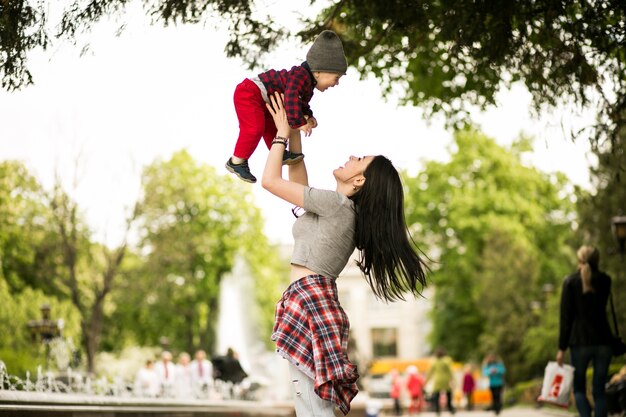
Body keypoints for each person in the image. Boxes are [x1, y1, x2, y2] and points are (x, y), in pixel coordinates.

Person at [262, 92, 428, 416]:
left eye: (360, 160)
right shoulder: (339, 210)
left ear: (359, 179)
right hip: (314, 301)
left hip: (310, 302)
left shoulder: (337, 205)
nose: (352, 156)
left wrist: (281, 132)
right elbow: (297, 175)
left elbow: (270, 180)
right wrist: (296, 122)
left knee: (311, 407)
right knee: (312, 406)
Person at [225, 30, 347, 183]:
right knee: (255, 128)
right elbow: (291, 97)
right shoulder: (300, 75)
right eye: (336, 78)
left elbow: (302, 103)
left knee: (272, 127)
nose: (336, 84)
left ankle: (280, 152)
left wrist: (308, 116)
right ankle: (236, 161)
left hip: (266, 101)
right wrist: (300, 123)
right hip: (250, 92)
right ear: (319, 71)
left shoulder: (308, 84)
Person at [556, 245, 614, 417]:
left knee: (579, 389)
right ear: (598, 260)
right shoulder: (606, 280)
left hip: (579, 342)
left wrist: (561, 348)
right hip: (604, 339)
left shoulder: (570, 282)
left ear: (579, 259)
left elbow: (566, 318)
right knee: (599, 390)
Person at [426, 347, 455, 415]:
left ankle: (437, 410)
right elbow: (450, 371)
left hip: (437, 380)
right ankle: (450, 408)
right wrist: (453, 380)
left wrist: (426, 381)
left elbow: (430, 372)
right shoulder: (447, 361)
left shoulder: (434, 362)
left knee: (436, 395)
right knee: (448, 394)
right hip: (446, 380)